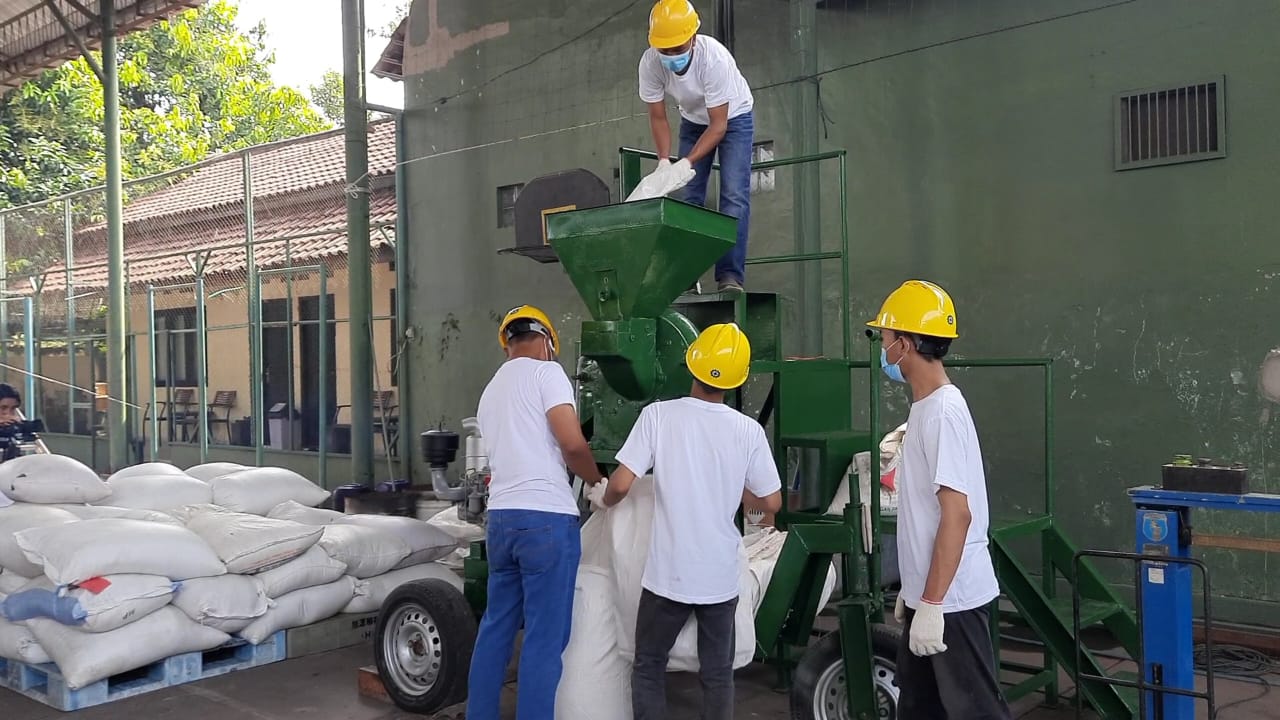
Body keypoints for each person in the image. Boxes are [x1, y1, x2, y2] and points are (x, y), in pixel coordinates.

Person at [594, 323, 782, 720]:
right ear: (737, 381)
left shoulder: (658, 416)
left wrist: (602, 498)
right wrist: (738, 495)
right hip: (719, 576)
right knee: (717, 675)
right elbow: (772, 503)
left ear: (691, 365)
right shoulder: (747, 431)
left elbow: (622, 484)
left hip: (668, 576)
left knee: (648, 666)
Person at [866, 280, 1012, 719]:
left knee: (975, 712)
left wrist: (930, 604)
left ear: (904, 345)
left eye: (885, 339)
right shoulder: (925, 408)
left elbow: (957, 516)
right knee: (921, 709)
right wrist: (914, 590)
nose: (883, 348)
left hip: (953, 603)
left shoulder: (944, 412)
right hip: (931, 596)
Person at [466, 305, 605, 720]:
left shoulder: (490, 390)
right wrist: (597, 483)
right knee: (544, 639)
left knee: (496, 629)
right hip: (546, 519)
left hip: (502, 521)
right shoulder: (548, 374)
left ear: (507, 342)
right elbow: (573, 444)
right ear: (546, 341)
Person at [639, 0, 755, 293]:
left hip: (734, 117)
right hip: (691, 120)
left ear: (692, 38)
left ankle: (729, 276)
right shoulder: (650, 63)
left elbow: (719, 125)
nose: (671, 56)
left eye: (677, 49)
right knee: (690, 198)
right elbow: (658, 116)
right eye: (665, 50)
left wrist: (687, 162)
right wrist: (665, 161)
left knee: (733, 196)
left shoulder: (713, 58)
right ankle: (687, 275)